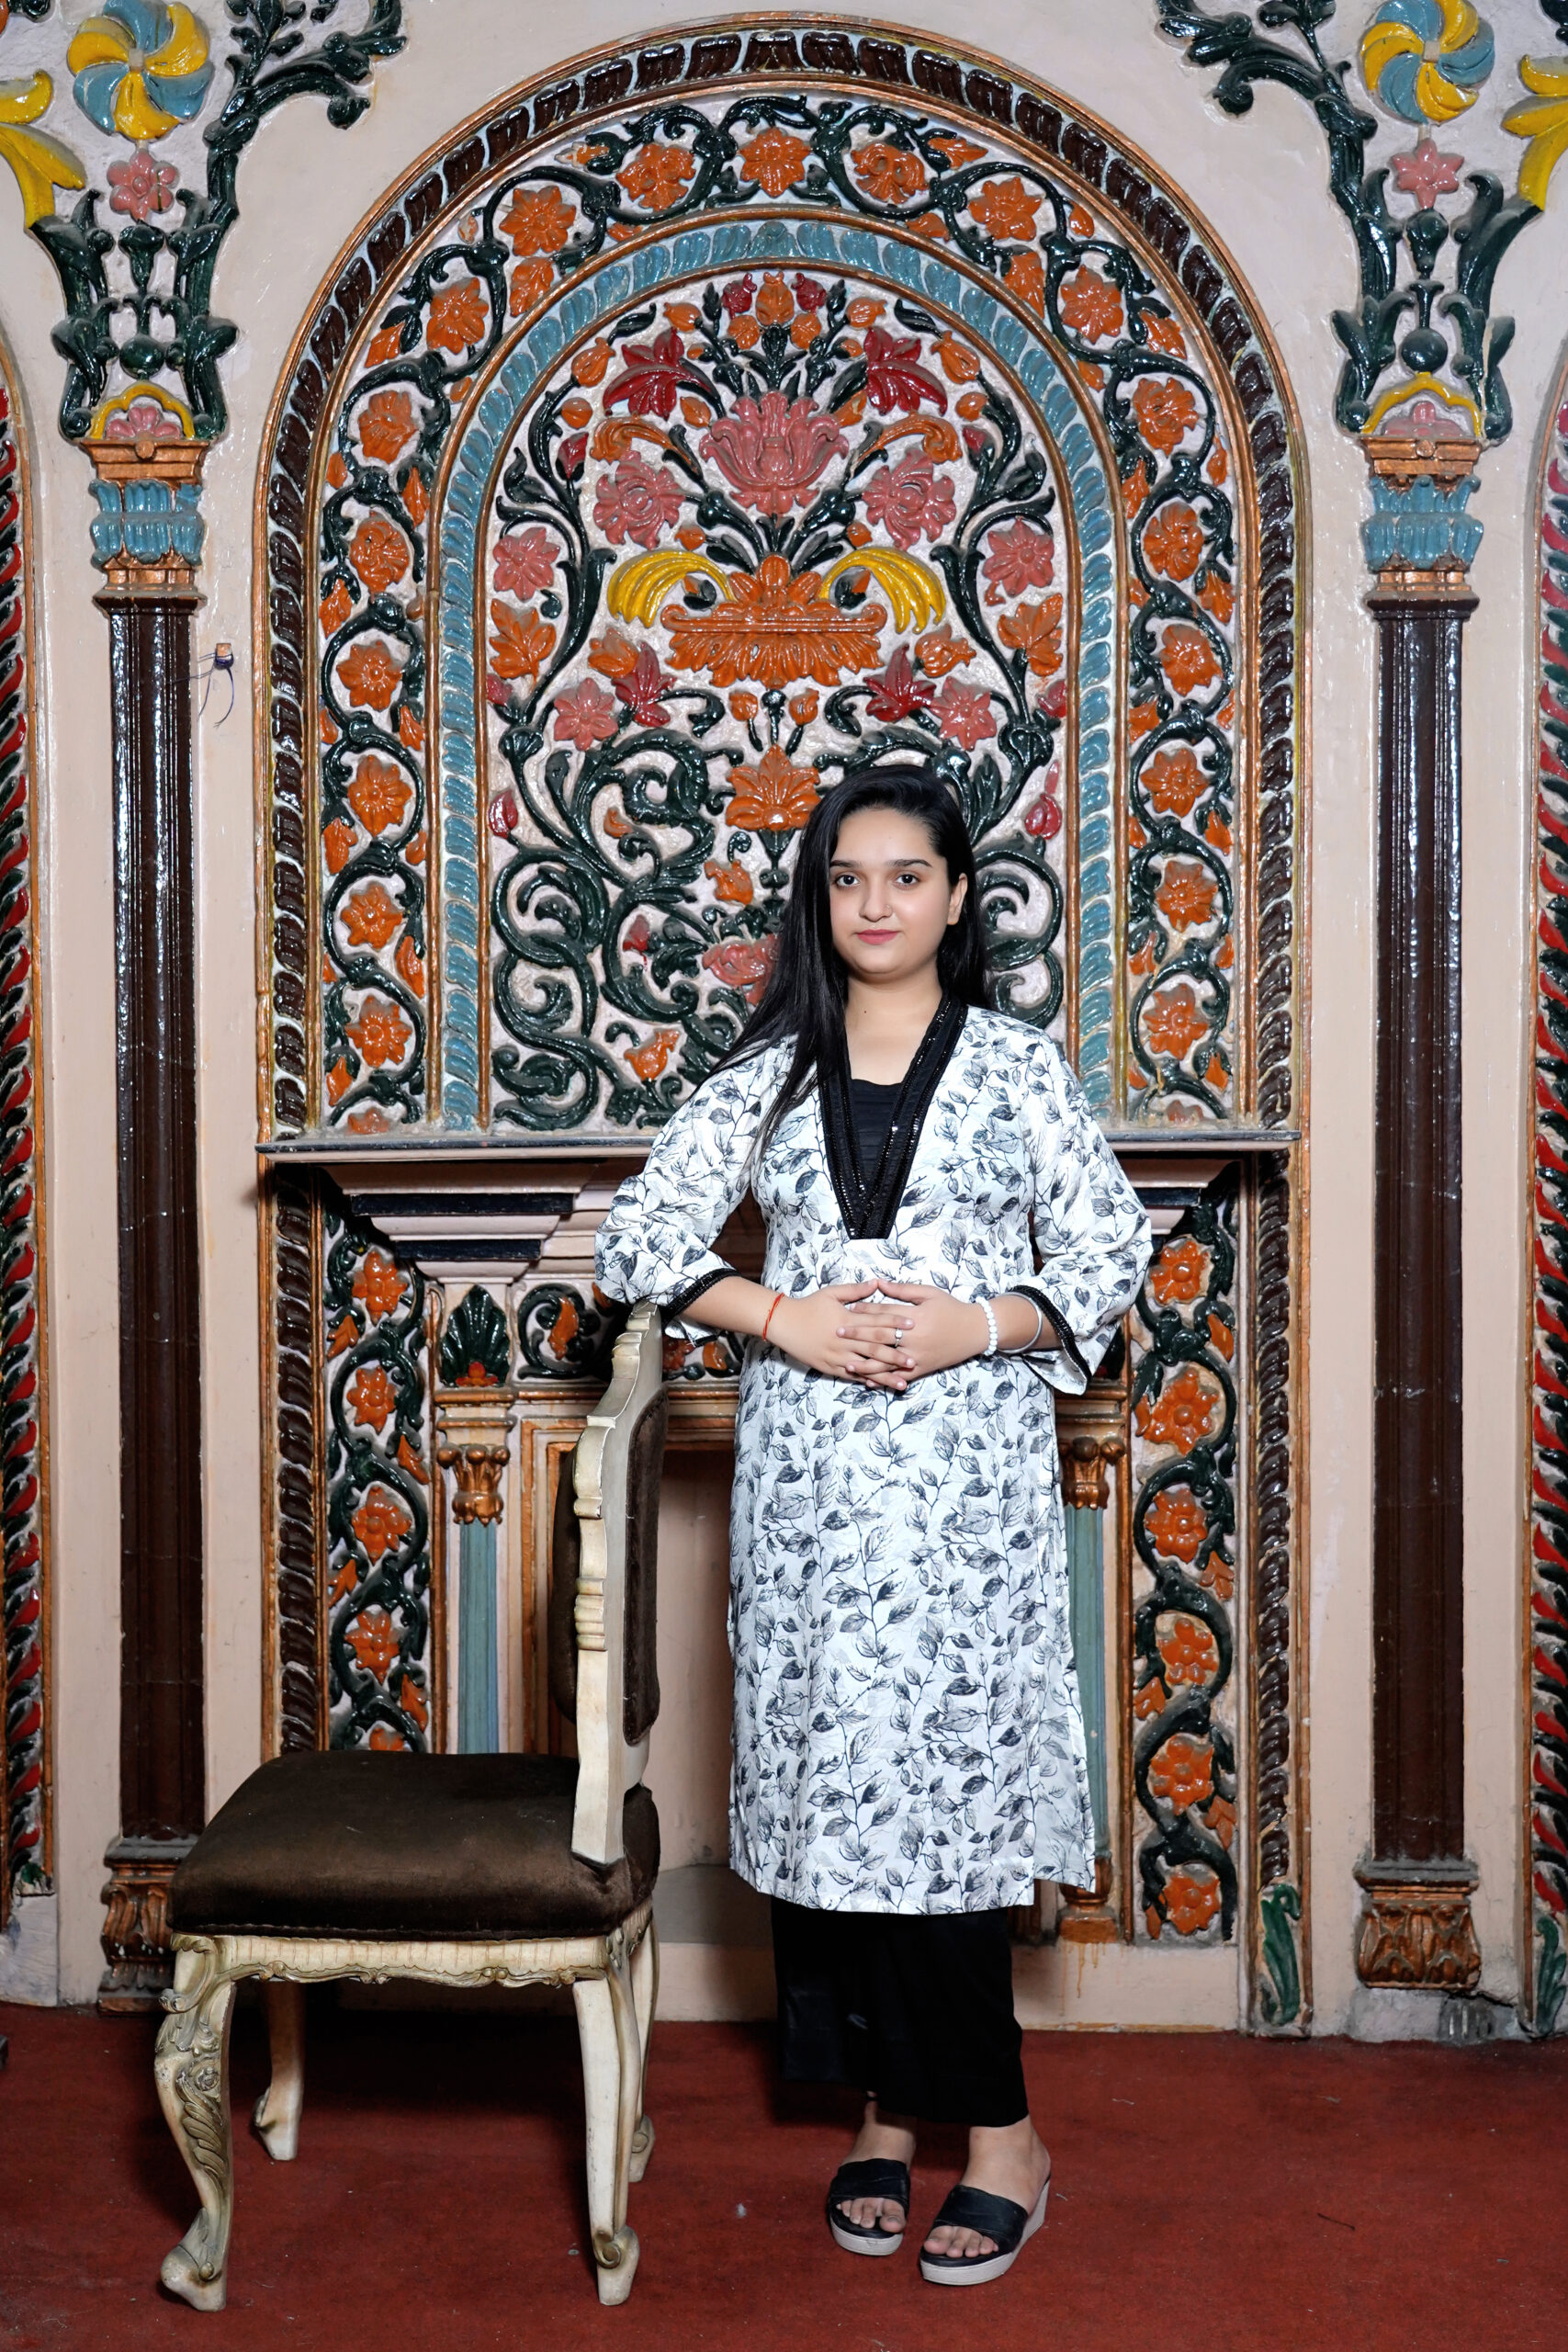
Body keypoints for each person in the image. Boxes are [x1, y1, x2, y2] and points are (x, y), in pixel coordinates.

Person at [594, 763, 1150, 2285]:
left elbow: (1110, 1249)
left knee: (948, 1815)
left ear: (957, 897)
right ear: (820, 900)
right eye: (848, 879)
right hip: (813, 1504)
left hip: (966, 1501)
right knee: (836, 1812)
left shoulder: (1019, 1068)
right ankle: (886, 2120)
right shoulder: (772, 1072)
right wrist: (780, 1316)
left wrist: (980, 1325)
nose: (876, 904)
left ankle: (1005, 2140)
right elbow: (640, 1237)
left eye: (907, 876)